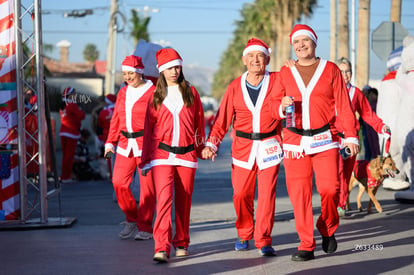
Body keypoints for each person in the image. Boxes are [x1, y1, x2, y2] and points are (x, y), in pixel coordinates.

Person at [270, 24, 359, 261]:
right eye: (296, 42)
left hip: (324, 139)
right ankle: (306, 244)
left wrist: (350, 135)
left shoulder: (330, 70)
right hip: (294, 141)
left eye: (305, 41)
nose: (300, 45)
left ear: (314, 42)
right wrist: (281, 106)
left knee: (331, 189)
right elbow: (272, 103)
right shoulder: (285, 72)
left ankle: (327, 227)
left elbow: (343, 104)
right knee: (300, 194)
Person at [202, 38, 283, 257]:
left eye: (260, 56)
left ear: (267, 58)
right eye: (251, 56)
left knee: (267, 196)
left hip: (270, 146)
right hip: (243, 148)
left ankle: (263, 239)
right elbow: (222, 119)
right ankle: (244, 232)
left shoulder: (277, 80)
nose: (256, 60)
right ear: (244, 60)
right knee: (241, 194)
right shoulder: (235, 86)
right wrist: (212, 143)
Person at [140, 48, 206, 263]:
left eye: (177, 67)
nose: (174, 71)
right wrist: (145, 159)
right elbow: (148, 129)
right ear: (162, 70)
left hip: (187, 156)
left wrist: (201, 148)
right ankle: (161, 247)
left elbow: (199, 124)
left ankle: (182, 242)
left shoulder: (191, 92)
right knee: (164, 201)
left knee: (184, 201)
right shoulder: (155, 95)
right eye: (169, 68)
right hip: (162, 155)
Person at [104, 55, 156, 241]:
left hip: (146, 146)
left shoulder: (153, 92)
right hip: (125, 145)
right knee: (119, 182)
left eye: (131, 73)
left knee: (147, 190)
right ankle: (131, 219)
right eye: (125, 73)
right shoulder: (123, 92)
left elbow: (159, 121)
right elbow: (116, 118)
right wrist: (110, 142)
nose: (127, 77)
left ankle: (145, 227)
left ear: (140, 72)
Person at [334, 57, 390, 217]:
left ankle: (341, 204)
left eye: (348, 71)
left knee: (345, 174)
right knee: (334, 172)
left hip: (350, 140)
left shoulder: (356, 93)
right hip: (332, 139)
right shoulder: (329, 91)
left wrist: (381, 126)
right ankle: (334, 202)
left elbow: (367, 113)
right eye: (341, 71)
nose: (345, 74)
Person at [376, 45, 411, 191]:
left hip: (390, 131)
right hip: (398, 131)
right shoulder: (400, 81)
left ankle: (397, 177)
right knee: (399, 144)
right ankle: (400, 176)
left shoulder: (386, 83)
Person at [59, 86, 85, 183]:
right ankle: (66, 177)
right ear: (70, 95)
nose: (75, 96)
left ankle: (63, 176)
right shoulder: (71, 104)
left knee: (65, 156)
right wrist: (80, 110)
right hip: (71, 133)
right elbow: (82, 115)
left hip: (63, 132)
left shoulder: (63, 104)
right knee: (69, 156)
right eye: (74, 94)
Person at [97, 94, 117, 179]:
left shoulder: (103, 112)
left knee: (109, 156)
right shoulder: (118, 109)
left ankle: (112, 175)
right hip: (118, 135)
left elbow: (99, 124)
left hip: (107, 136)